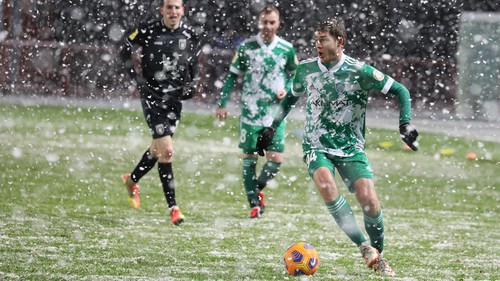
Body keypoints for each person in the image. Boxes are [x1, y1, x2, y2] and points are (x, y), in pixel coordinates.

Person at [256, 18, 419, 276]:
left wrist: (405, 125)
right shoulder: (306, 69)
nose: (317, 44)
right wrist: (271, 127)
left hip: (351, 147)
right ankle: (363, 246)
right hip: (315, 144)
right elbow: (289, 99)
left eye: (323, 40)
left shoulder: (360, 71)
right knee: (327, 186)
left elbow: (400, 91)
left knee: (370, 202)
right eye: (316, 40)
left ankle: (378, 256)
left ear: (339, 42)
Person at [119, 0, 200, 225]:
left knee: (157, 150)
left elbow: (194, 62)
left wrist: (192, 83)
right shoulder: (147, 30)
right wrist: (137, 79)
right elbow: (124, 48)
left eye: (177, 7)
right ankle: (174, 208)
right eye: (169, 7)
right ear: (162, 10)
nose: (173, 12)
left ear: (183, 10)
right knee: (167, 151)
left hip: (174, 100)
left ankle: (132, 180)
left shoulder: (190, 34)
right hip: (153, 97)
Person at [215, 5, 298, 219]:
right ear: (258, 22)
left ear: (278, 24)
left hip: (274, 114)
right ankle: (253, 204)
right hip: (251, 112)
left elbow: (294, 76)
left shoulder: (286, 49)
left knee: (276, 159)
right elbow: (232, 75)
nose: (268, 26)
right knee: (250, 157)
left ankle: (256, 189)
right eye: (264, 22)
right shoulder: (246, 47)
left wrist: (286, 89)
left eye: (272, 22)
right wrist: (222, 102)